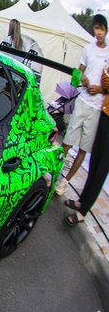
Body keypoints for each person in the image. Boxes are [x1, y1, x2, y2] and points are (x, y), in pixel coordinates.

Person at [56, 14, 109, 196]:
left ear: (106, 31)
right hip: (83, 102)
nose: (99, 32)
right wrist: (83, 79)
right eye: (96, 28)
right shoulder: (88, 49)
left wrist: (100, 89)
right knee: (67, 142)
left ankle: (65, 182)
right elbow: (76, 75)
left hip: (97, 108)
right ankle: (53, 173)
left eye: (102, 29)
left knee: (83, 149)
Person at [64, 59, 109, 225]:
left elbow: (106, 81)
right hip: (105, 113)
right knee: (95, 162)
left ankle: (83, 211)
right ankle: (81, 202)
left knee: (101, 167)